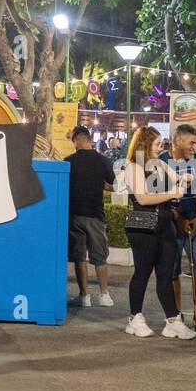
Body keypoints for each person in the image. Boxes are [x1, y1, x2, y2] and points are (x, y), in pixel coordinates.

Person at [121, 126, 196, 340]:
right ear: (145, 144)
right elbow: (143, 198)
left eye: (161, 143)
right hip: (143, 224)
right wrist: (173, 192)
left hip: (165, 224)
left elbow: (178, 178)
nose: (160, 147)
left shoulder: (160, 163)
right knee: (142, 272)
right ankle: (135, 317)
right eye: (156, 144)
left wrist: (185, 179)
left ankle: (173, 320)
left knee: (166, 274)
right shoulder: (133, 167)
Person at [166, 124, 196, 328]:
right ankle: (176, 313)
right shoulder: (162, 161)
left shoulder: (195, 161)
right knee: (173, 269)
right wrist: (179, 220)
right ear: (178, 141)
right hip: (172, 223)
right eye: (191, 142)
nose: (195, 147)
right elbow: (162, 197)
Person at [66, 126, 115, 307]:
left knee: (79, 256)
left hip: (75, 215)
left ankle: (84, 296)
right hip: (95, 214)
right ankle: (104, 294)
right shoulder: (102, 160)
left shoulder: (69, 161)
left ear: (78, 140)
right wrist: (102, 185)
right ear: (90, 139)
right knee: (100, 256)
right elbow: (114, 185)